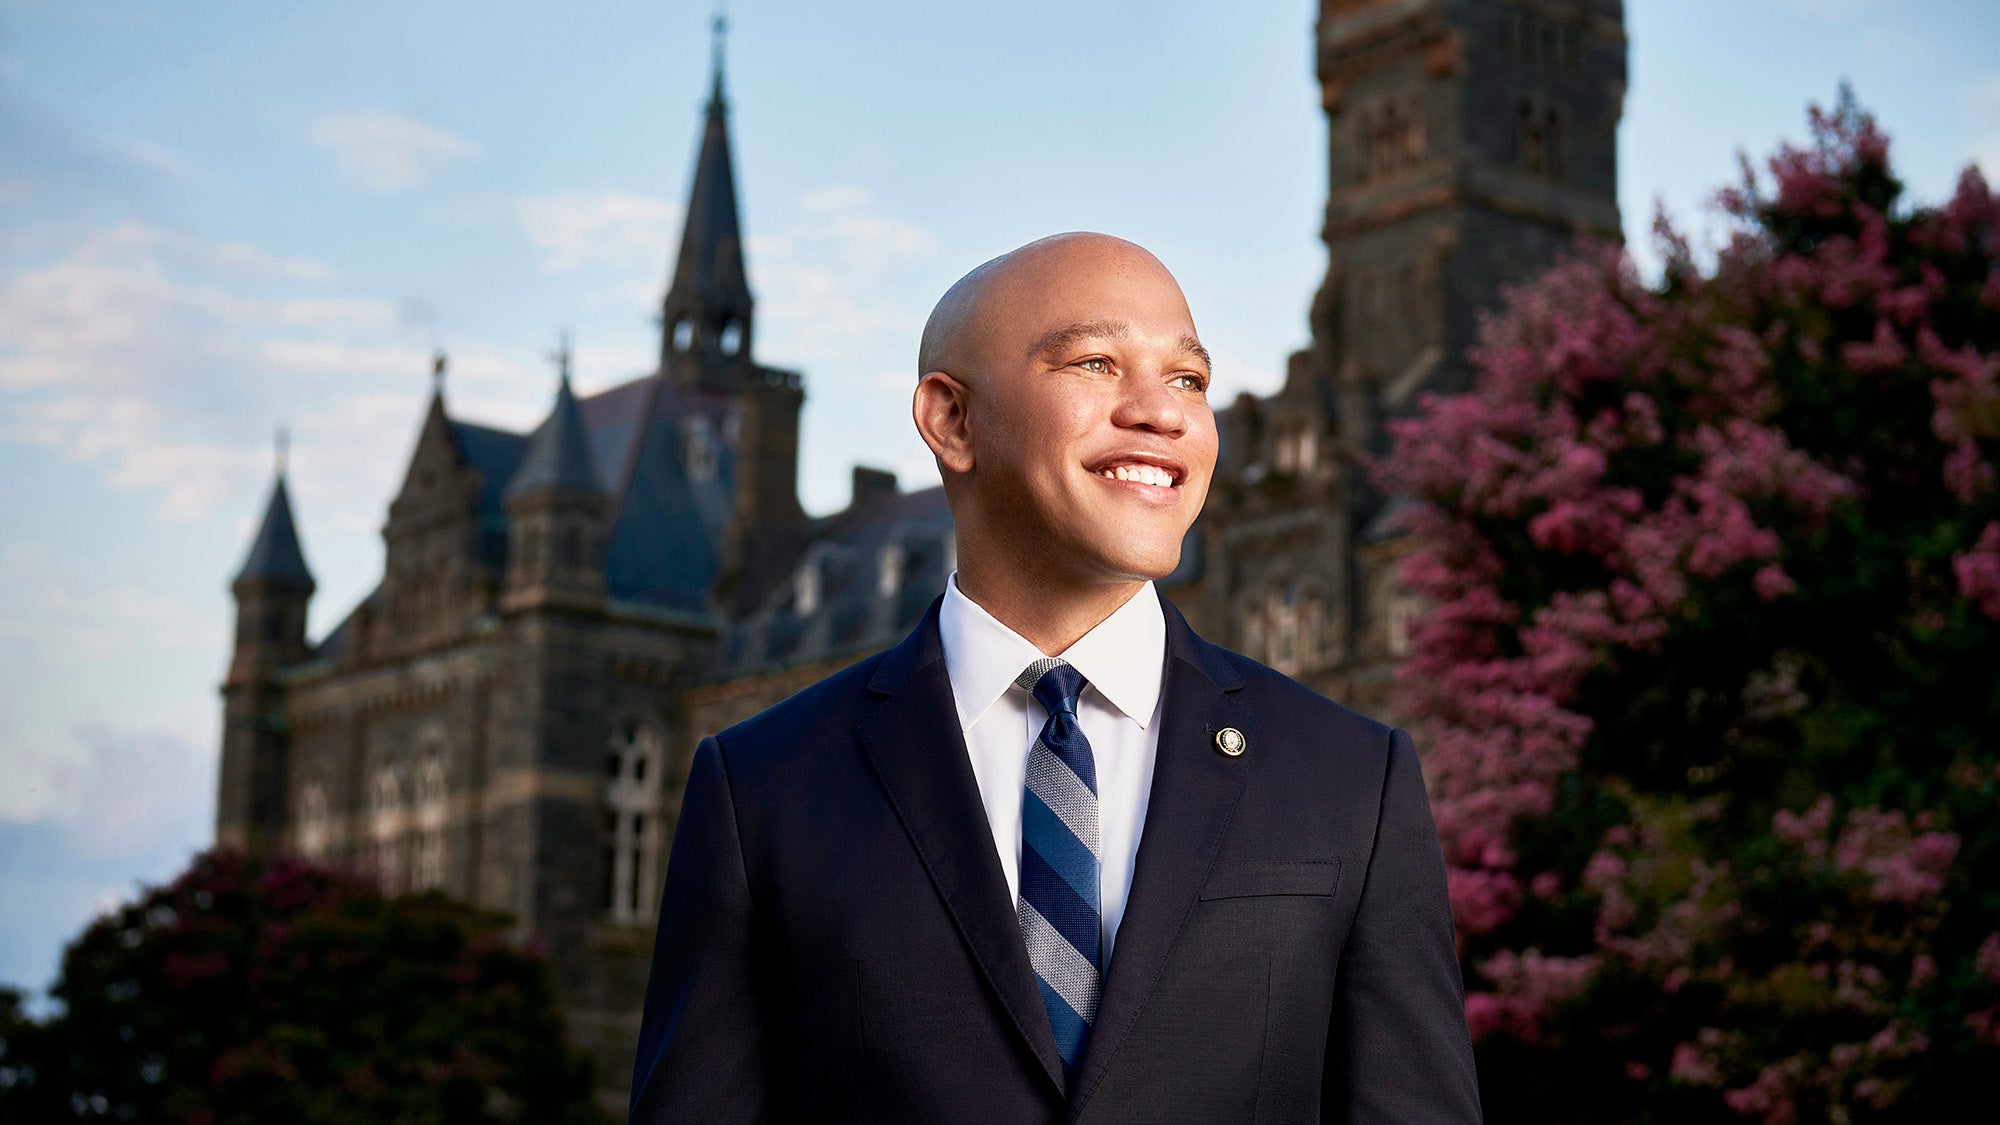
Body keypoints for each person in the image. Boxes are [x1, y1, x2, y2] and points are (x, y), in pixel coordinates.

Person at [629, 233, 1481, 1123]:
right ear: (951, 419)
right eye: (1097, 363)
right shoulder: (762, 787)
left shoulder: (1352, 778)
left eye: (1189, 379)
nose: (1163, 412)